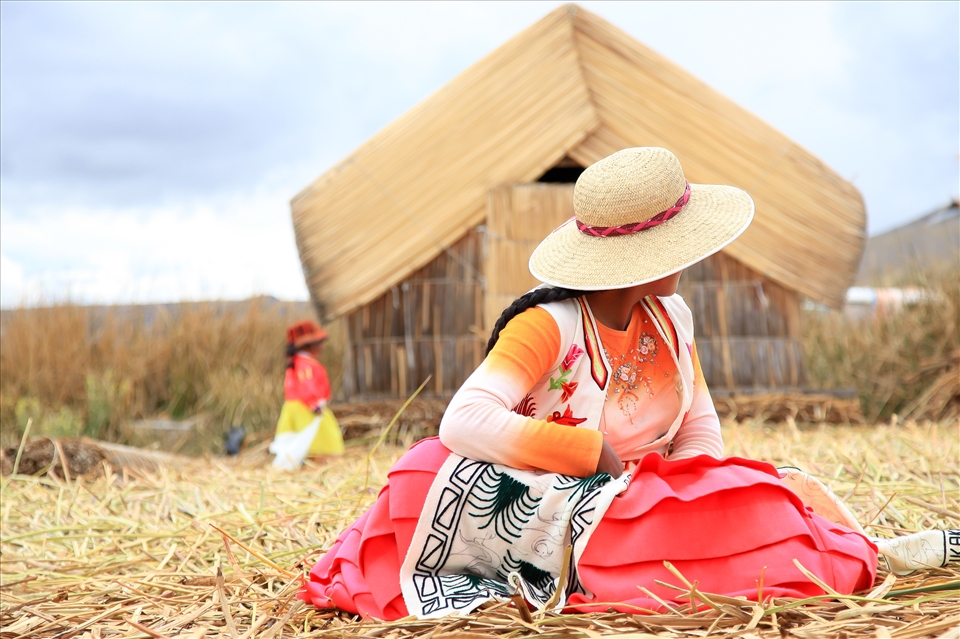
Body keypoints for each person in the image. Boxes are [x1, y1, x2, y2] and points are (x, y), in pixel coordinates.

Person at [299, 147, 883, 618]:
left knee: (756, 501)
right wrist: (589, 452)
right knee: (423, 471)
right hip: (557, 502)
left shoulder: (671, 318)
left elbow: (699, 422)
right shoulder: (547, 326)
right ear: (646, 254)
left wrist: (687, 488)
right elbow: (464, 419)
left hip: (645, 498)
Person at [271, 320, 344, 468]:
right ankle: (317, 467)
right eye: (318, 343)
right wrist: (315, 406)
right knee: (322, 440)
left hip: (300, 407)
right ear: (308, 346)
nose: (321, 347)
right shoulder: (305, 365)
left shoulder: (299, 362)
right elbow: (307, 387)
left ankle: (312, 466)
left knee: (308, 441)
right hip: (307, 408)